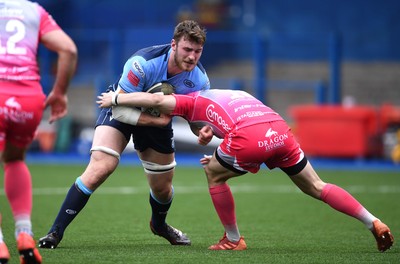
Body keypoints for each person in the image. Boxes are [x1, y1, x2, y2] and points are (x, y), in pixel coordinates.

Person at [96, 88, 395, 252]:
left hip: (251, 138)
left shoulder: (189, 101)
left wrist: (116, 99)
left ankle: (233, 238)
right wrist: (219, 146)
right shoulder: (231, 94)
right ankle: (373, 221)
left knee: (213, 173)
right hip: (280, 129)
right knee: (316, 186)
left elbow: (157, 100)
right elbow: (234, 123)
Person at [38, 20, 209, 249]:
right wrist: (155, 120)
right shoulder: (142, 63)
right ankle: (54, 233)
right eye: (187, 49)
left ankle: (159, 225)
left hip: (158, 120)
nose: (192, 56)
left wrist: (202, 130)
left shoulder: (199, 79)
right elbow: (118, 107)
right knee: (101, 167)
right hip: (123, 109)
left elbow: (195, 117)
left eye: (197, 51)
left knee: (162, 188)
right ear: (174, 45)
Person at [0, 0, 78, 263]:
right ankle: (24, 234)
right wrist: (59, 93)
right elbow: (68, 49)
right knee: (14, 160)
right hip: (29, 99)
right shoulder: (33, 10)